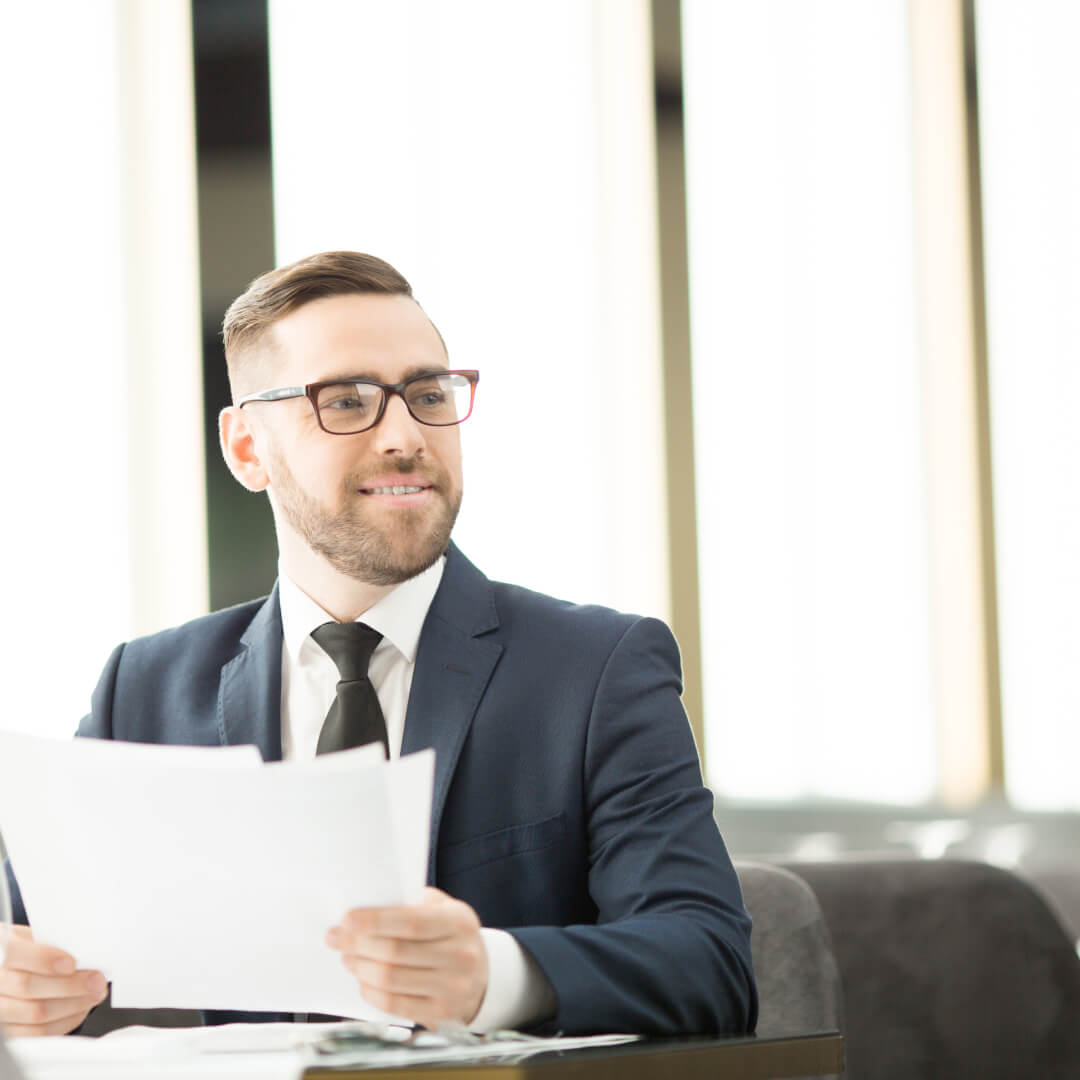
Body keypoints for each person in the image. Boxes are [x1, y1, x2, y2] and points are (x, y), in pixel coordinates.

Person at [1, 252, 756, 1038]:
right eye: (348, 401)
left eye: (428, 394)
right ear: (247, 449)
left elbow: (709, 965)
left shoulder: (596, 669)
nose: (405, 435)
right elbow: (31, 939)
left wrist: (491, 975)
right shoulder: (147, 687)